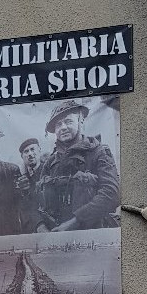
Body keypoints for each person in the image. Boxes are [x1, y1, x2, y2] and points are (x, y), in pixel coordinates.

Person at [36, 99, 120, 232]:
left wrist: (75, 221)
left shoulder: (99, 152)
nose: (63, 127)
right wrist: (40, 225)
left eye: (68, 121)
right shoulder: (50, 162)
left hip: (93, 232)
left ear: (80, 121)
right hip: (55, 235)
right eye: (58, 124)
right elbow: (36, 199)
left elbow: (112, 193)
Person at [15, 138, 45, 233]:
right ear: (22, 156)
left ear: (39, 150)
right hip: (30, 228)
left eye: (33, 149)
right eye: (26, 152)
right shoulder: (21, 179)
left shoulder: (49, 171)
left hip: (48, 225)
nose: (30, 154)